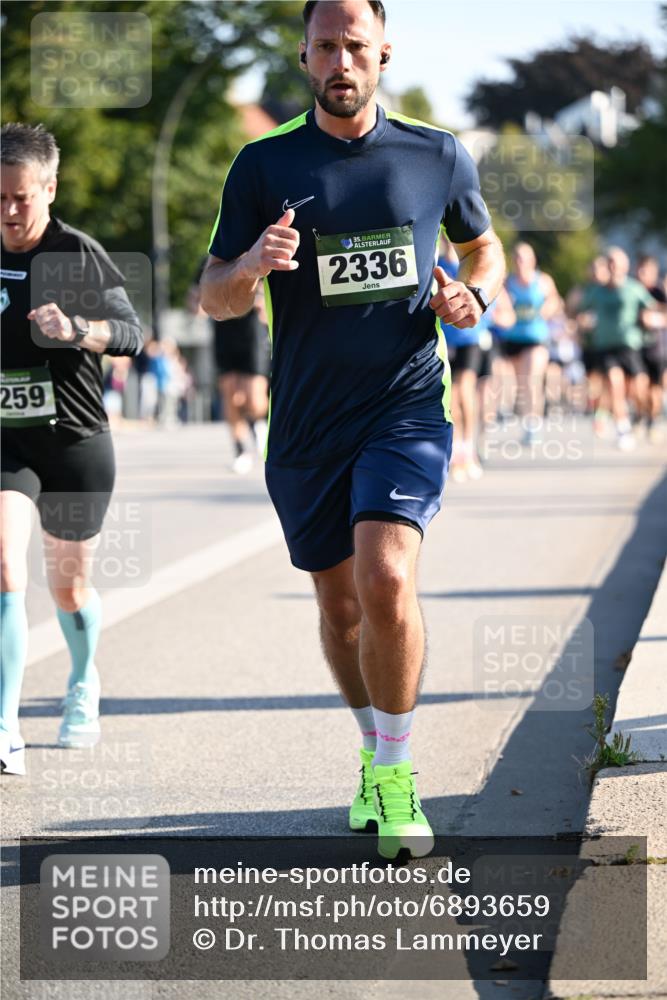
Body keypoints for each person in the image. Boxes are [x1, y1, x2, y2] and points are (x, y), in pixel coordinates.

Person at [201, 0, 505, 859]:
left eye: (356, 46)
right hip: (303, 421)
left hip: (403, 406)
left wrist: (471, 297)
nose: (341, 60)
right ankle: (375, 751)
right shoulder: (263, 164)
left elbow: (483, 249)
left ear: (383, 55)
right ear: (303, 54)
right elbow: (211, 292)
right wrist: (252, 265)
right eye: (326, 46)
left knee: (383, 575)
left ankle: (400, 776)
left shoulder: (434, 152)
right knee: (339, 611)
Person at [0, 124, 143, 774]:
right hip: (6, 440)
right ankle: (5, 727)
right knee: (4, 570)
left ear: (49, 189)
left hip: (74, 441)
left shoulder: (77, 254)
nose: (7, 211)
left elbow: (132, 333)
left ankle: (83, 683)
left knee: (67, 587)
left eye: (20, 198)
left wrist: (77, 328)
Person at [576, 247, 664, 450]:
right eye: (610, 263)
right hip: (605, 346)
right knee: (615, 385)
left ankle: (642, 416)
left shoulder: (634, 288)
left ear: (625, 266)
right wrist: (582, 322)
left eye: (617, 263)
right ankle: (623, 429)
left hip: (631, 346)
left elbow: (653, 308)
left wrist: (652, 318)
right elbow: (579, 312)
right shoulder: (596, 291)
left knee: (639, 390)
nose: (613, 267)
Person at [189, 268, 270, 473]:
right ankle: (241, 450)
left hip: (252, 331)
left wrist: (264, 305)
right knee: (231, 397)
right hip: (223, 330)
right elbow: (195, 294)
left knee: (254, 399)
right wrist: (197, 306)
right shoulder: (210, 259)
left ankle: (259, 423)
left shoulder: (257, 245)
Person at [500, 242, 560, 445]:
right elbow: (499, 305)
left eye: (524, 257)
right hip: (514, 338)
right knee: (520, 384)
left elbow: (555, 301)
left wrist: (546, 310)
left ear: (532, 260)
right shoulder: (508, 282)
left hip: (536, 338)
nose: (520, 261)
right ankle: (527, 421)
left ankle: (534, 424)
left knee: (531, 380)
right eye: (517, 257)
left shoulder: (543, 281)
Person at [636, 254, 666, 442]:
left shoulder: (659, 293)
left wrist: (655, 319)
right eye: (640, 269)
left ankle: (652, 420)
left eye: (646, 271)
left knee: (654, 387)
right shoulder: (631, 290)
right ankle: (641, 416)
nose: (642, 274)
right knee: (638, 386)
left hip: (657, 348)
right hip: (635, 346)